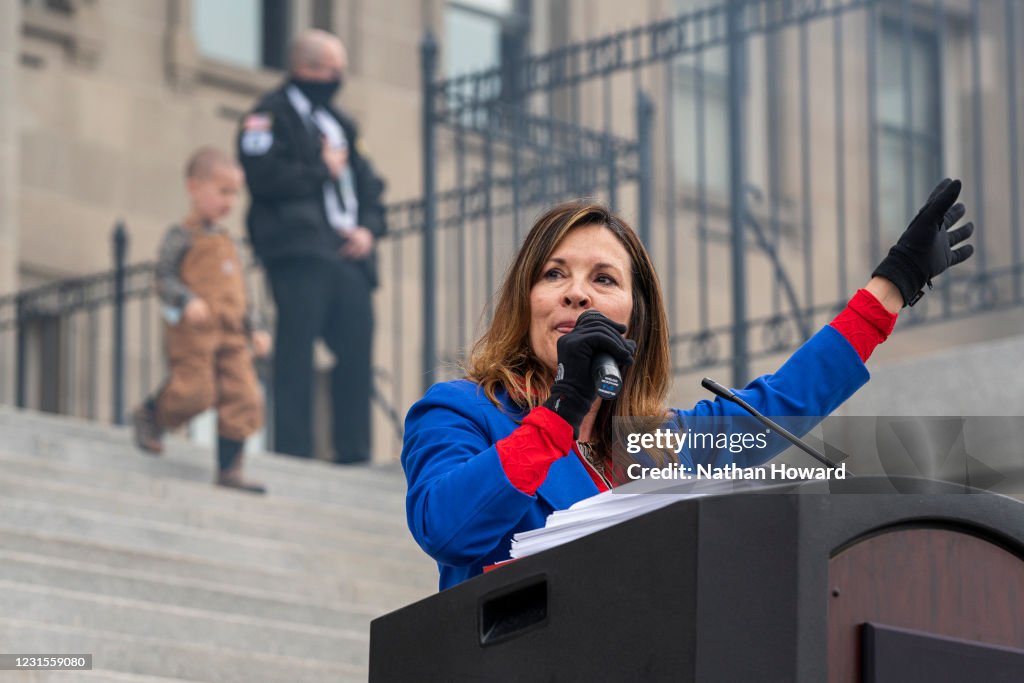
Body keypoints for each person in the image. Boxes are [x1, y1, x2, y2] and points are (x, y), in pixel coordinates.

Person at [402, 181, 976, 590]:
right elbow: (448, 530)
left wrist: (893, 285)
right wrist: (560, 410)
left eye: (603, 279)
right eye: (554, 274)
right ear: (525, 303)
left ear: (635, 320)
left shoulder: (662, 445)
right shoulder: (460, 411)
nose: (576, 293)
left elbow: (784, 402)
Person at [237, 29, 387, 464]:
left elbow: (371, 187)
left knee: (356, 353)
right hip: (299, 253)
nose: (336, 79)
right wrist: (320, 169)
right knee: (296, 351)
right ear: (304, 68)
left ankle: (353, 452)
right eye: (329, 70)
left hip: (348, 255)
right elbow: (264, 177)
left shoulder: (341, 124)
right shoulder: (269, 115)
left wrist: (368, 230)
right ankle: (294, 450)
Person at [132, 147, 272, 494]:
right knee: (195, 391)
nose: (230, 201)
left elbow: (244, 292)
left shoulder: (230, 243)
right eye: (222, 191)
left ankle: (230, 468)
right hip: (194, 332)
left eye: (234, 193)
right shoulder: (182, 236)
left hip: (232, 334)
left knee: (245, 396)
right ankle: (152, 414)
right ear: (195, 188)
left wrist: (256, 327)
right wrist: (186, 299)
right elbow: (163, 277)